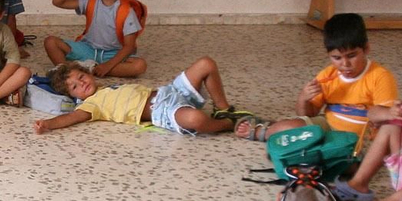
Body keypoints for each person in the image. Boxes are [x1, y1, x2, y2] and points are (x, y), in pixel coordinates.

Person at [243, 13, 399, 145]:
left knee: (347, 163)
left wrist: (391, 113)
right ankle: (264, 131)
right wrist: (303, 98)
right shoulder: (328, 75)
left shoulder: (380, 76)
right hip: (328, 128)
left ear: (366, 49)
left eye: (352, 56)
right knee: (287, 128)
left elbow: (385, 117)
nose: (345, 64)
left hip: (362, 139)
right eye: (336, 58)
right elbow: (307, 114)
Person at [36, 57, 250, 137]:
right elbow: (70, 118)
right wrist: (48, 124)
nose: (81, 83)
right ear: (73, 96)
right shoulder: (91, 105)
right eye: (74, 86)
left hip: (169, 91)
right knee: (196, 119)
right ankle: (224, 125)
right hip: (162, 111)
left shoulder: (108, 87)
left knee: (206, 64)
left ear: (89, 73)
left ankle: (223, 109)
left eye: (81, 77)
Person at [43, 0, 147, 78]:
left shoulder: (126, 11)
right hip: (88, 49)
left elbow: (129, 47)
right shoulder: (90, 1)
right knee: (50, 42)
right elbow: (58, 2)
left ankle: (86, 68)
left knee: (139, 66)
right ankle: (69, 72)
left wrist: (108, 65)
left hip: (112, 54)